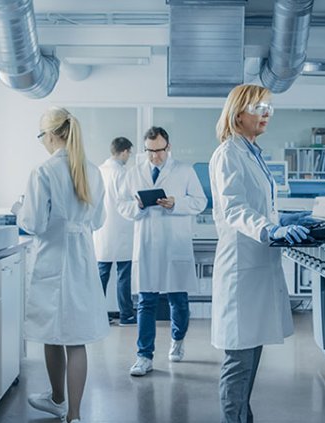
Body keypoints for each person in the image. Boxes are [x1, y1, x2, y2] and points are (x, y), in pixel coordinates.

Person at [209, 84, 310, 423]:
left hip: (257, 267)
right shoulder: (228, 154)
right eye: (259, 107)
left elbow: (261, 206)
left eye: (269, 107)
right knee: (238, 363)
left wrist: (288, 221)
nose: (266, 113)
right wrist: (271, 230)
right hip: (240, 268)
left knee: (250, 358)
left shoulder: (252, 152)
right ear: (238, 114)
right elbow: (235, 208)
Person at [15, 107, 108, 423]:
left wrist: (19, 209)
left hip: (54, 259)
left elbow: (34, 223)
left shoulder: (44, 171)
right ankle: (75, 415)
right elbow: (98, 220)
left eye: (42, 135)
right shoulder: (93, 171)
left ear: (52, 134)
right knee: (75, 338)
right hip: (81, 259)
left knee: (52, 333)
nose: (42, 141)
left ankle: (57, 398)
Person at [116, 126, 207, 377]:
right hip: (146, 245)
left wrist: (177, 203)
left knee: (178, 299)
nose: (155, 156)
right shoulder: (134, 173)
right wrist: (137, 206)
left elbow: (200, 202)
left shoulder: (184, 170)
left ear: (168, 147)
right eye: (149, 151)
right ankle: (144, 356)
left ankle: (178, 340)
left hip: (175, 243)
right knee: (146, 301)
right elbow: (121, 205)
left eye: (159, 151)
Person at [93, 136, 137, 326]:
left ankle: (96, 315)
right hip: (121, 230)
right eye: (129, 153)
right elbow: (126, 201)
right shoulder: (123, 173)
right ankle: (126, 315)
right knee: (124, 275)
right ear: (124, 151)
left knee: (101, 275)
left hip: (102, 230)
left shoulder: (98, 171)